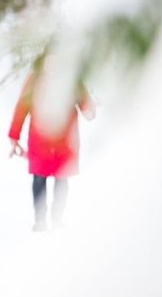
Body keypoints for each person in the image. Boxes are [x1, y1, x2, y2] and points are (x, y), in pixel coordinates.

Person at [8, 52, 96, 231]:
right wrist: (14, 135)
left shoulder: (72, 79)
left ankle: (57, 218)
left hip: (65, 140)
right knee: (39, 178)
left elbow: (85, 101)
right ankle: (39, 219)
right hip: (40, 139)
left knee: (62, 179)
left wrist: (88, 111)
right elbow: (21, 107)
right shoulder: (35, 79)